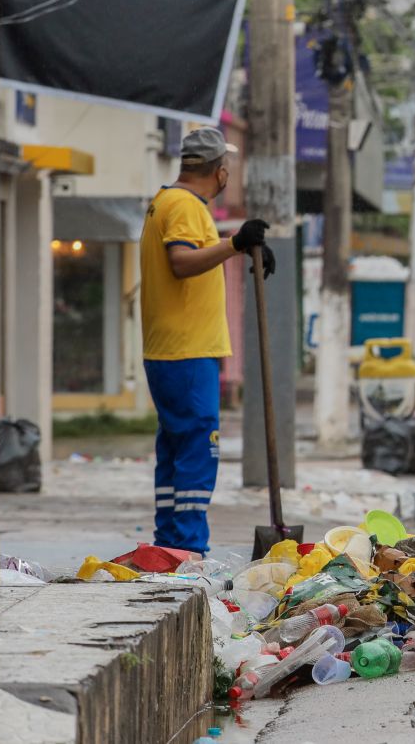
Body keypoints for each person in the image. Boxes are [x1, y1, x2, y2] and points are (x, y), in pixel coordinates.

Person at [139, 127, 273, 554]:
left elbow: (197, 251)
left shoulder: (170, 200)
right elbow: (180, 262)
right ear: (219, 172)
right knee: (198, 444)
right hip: (186, 350)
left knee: (176, 446)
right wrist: (236, 243)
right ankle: (189, 547)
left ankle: (170, 543)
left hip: (174, 349)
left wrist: (236, 246)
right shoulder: (182, 204)